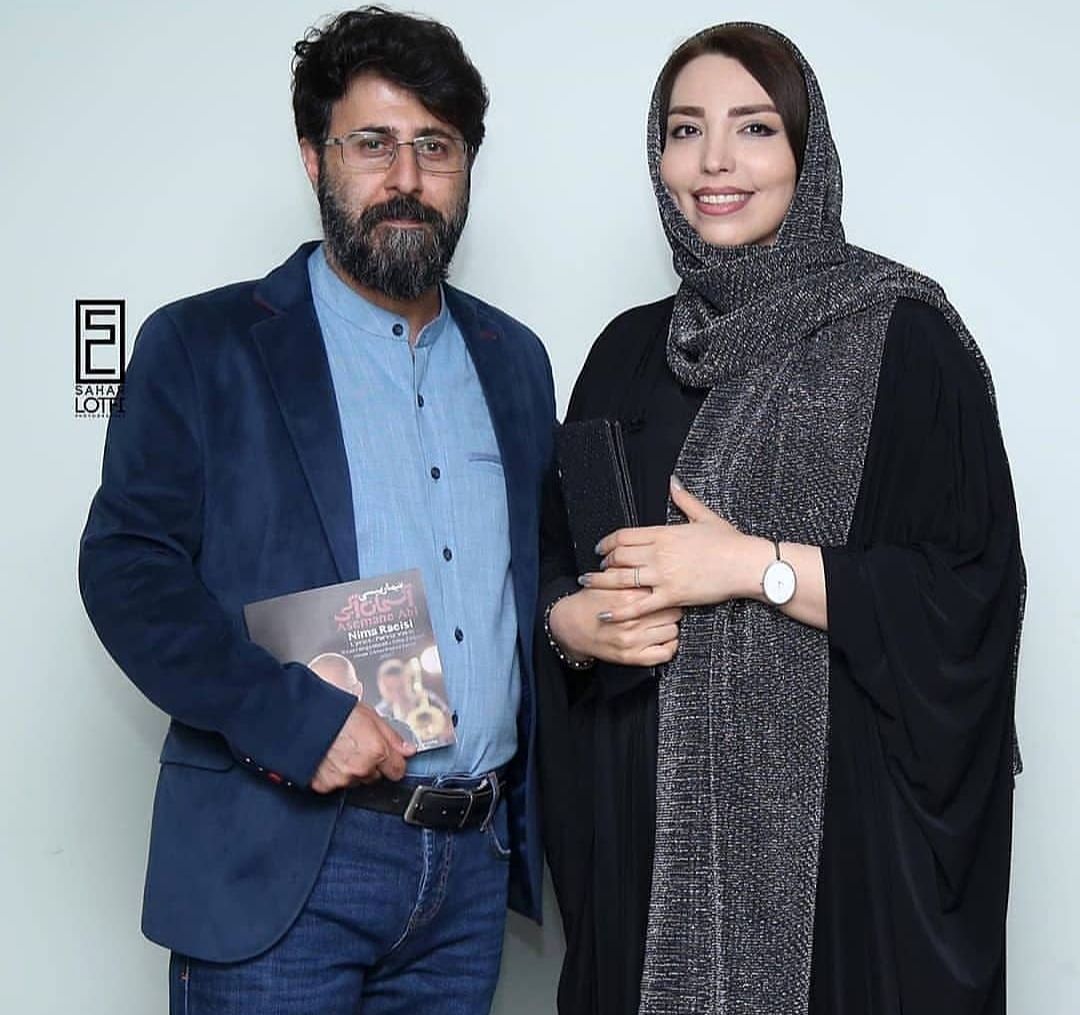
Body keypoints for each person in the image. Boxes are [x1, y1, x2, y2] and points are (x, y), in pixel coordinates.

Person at [537, 22, 1024, 1015]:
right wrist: (569, 625)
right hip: (642, 867)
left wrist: (749, 566)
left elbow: (970, 597)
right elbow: (560, 558)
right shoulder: (624, 354)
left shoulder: (902, 338)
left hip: (837, 875)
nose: (716, 160)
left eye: (754, 127)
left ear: (808, 151)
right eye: (686, 130)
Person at [79, 8, 554, 1013]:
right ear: (313, 157)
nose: (407, 178)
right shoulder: (202, 346)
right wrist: (292, 720)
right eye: (373, 144)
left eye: (436, 147)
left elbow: (533, 579)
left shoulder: (515, 361)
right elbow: (127, 570)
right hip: (282, 857)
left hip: (468, 875)